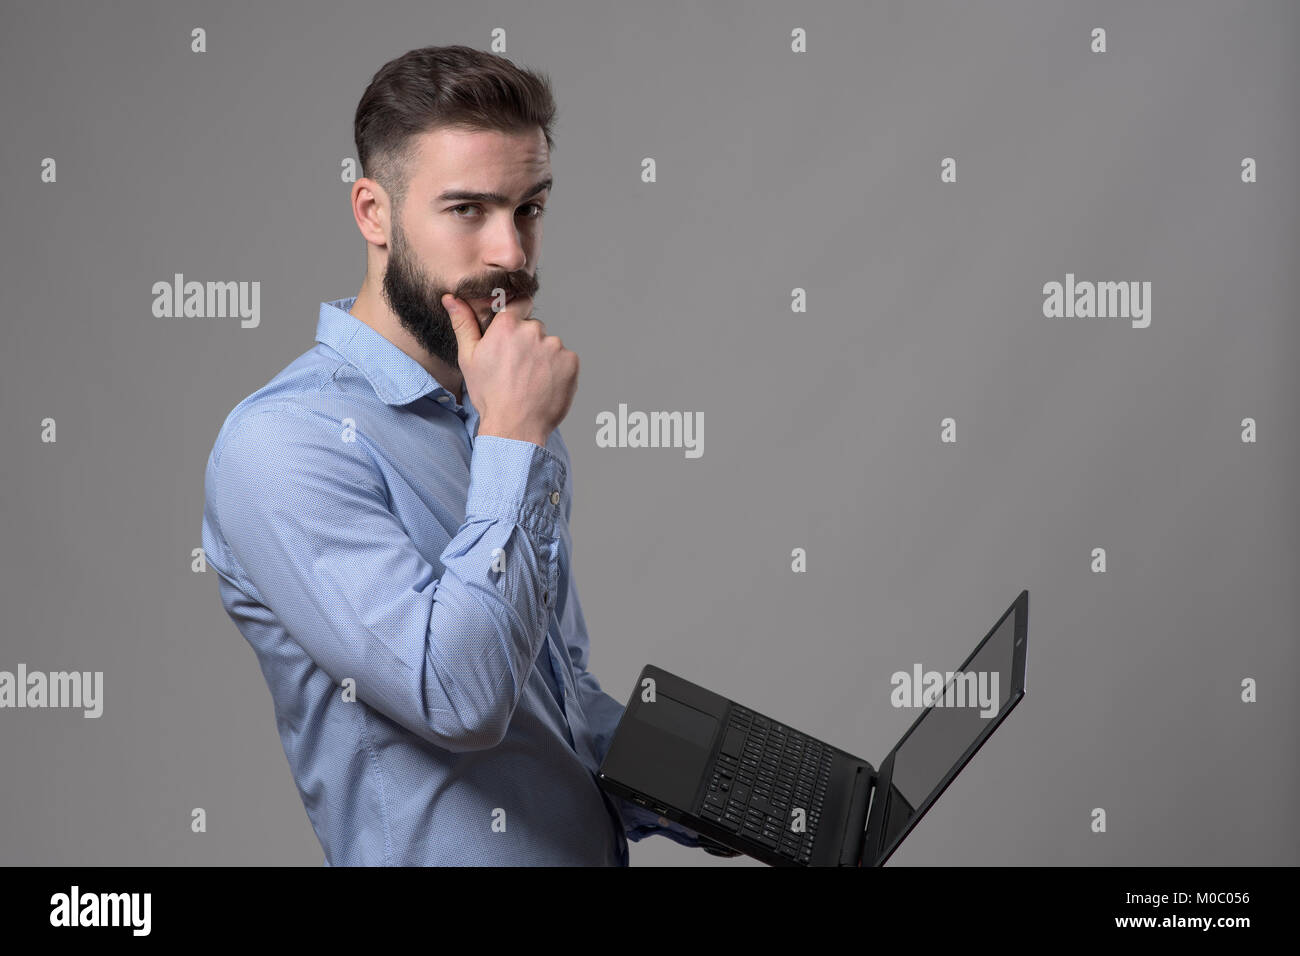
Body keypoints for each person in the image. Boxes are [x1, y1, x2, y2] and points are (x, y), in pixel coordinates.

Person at [201, 44, 737, 864]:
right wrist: (515, 437)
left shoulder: (496, 410)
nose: (512, 256)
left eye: (529, 208)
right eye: (468, 211)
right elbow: (458, 696)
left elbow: (547, 692)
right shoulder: (281, 444)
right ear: (373, 212)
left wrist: (715, 788)